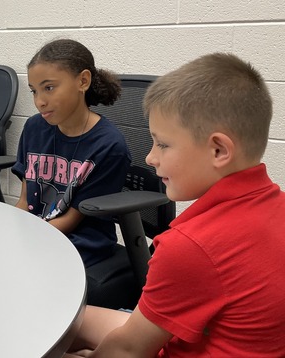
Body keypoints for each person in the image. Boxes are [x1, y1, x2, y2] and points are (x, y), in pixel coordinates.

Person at [65, 52, 285, 357]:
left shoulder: (191, 246)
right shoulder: (276, 206)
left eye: (163, 144)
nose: (150, 157)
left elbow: (128, 350)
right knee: (76, 317)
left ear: (219, 150)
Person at [12, 39, 130, 268]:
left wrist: (25, 240)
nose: (40, 101)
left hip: (80, 243)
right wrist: (11, 228)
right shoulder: (34, 128)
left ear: (83, 81)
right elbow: (25, 200)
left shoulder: (109, 145)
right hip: (39, 232)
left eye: (49, 88)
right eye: (34, 91)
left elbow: (70, 220)